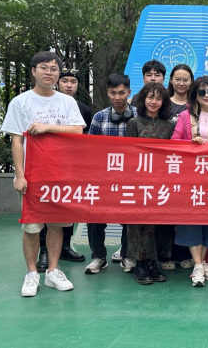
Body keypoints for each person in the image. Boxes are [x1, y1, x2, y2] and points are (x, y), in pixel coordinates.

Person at [1, 51, 85, 297]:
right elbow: (17, 141)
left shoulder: (67, 102)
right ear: (33, 71)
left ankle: (53, 271)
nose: (49, 72)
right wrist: (20, 175)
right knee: (32, 227)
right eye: (44, 68)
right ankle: (31, 274)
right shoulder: (20, 102)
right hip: (32, 175)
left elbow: (77, 131)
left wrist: (47, 127)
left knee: (57, 226)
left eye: (53, 68)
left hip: (60, 174)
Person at [172, 77, 208, 286]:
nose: (206, 96)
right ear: (195, 95)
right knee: (192, 219)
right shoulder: (185, 116)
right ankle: (197, 264)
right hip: (191, 176)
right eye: (202, 92)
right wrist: (190, 143)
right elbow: (174, 143)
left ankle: (202, 261)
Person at [35, 67, 89, 272]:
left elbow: (86, 139)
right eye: (65, 81)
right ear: (58, 83)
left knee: (68, 206)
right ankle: (44, 251)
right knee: (45, 207)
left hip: (71, 165)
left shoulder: (83, 109)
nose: (69, 85)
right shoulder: (47, 104)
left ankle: (66, 246)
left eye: (73, 82)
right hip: (45, 164)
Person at [85, 73, 137, 275]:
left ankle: (127, 254)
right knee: (94, 217)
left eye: (121, 93)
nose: (117, 97)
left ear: (129, 92)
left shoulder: (139, 115)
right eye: (113, 93)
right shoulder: (99, 117)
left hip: (131, 178)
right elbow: (90, 150)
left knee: (130, 218)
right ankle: (98, 257)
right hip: (104, 178)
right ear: (108, 92)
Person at [126, 83, 176, 285]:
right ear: (143, 99)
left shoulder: (170, 124)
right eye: (150, 97)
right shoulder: (134, 123)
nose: (154, 102)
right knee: (138, 222)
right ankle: (139, 263)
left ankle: (152, 262)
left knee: (157, 223)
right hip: (139, 181)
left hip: (161, 181)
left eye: (158, 98)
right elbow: (128, 154)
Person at [161, 63, 195, 270]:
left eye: (186, 80)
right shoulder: (162, 102)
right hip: (165, 165)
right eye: (178, 79)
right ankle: (166, 255)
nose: (181, 83)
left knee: (185, 211)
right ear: (171, 81)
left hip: (190, 168)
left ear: (191, 82)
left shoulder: (196, 104)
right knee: (167, 209)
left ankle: (183, 253)